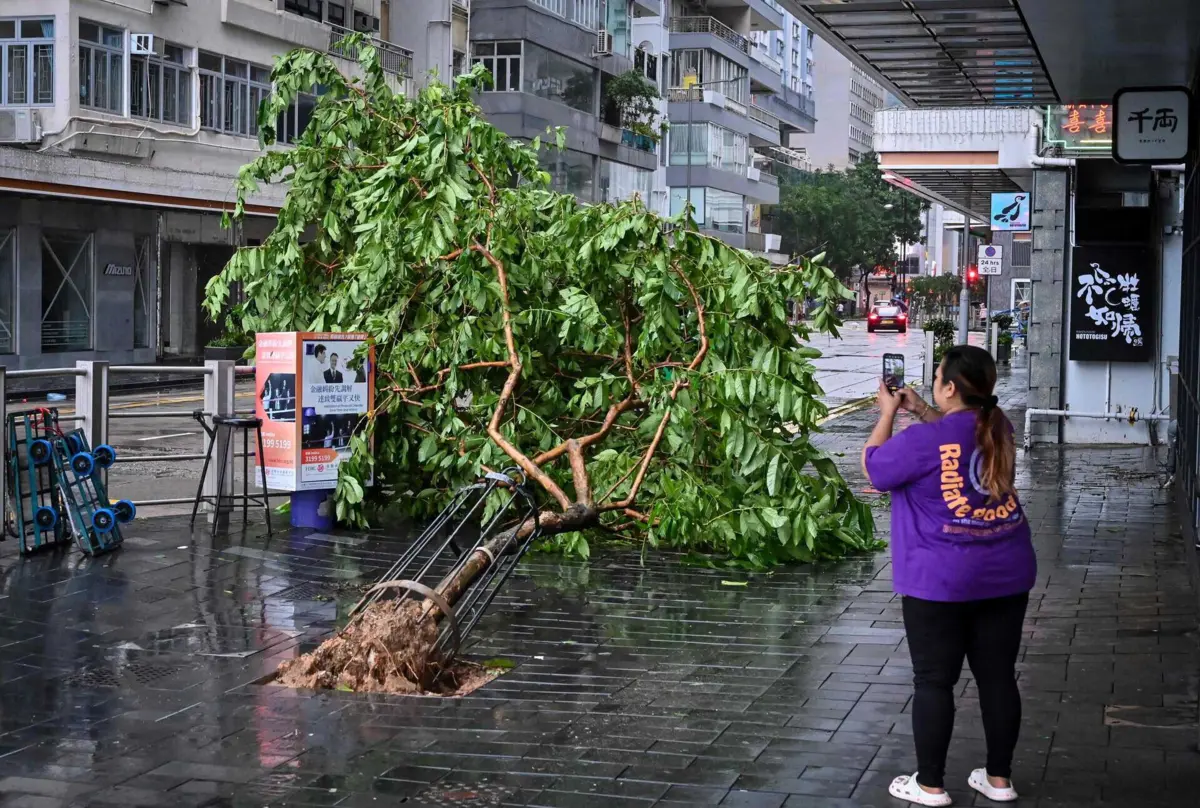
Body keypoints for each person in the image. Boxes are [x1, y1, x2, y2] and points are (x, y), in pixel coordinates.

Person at [861, 345, 1035, 807]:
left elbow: (876, 468)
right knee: (998, 676)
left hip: (941, 579)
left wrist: (887, 414)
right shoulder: (998, 426)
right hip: (1008, 572)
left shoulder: (922, 444)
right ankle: (999, 780)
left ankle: (931, 784)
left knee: (934, 681)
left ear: (951, 387)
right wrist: (921, 409)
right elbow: (957, 437)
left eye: (938, 378)